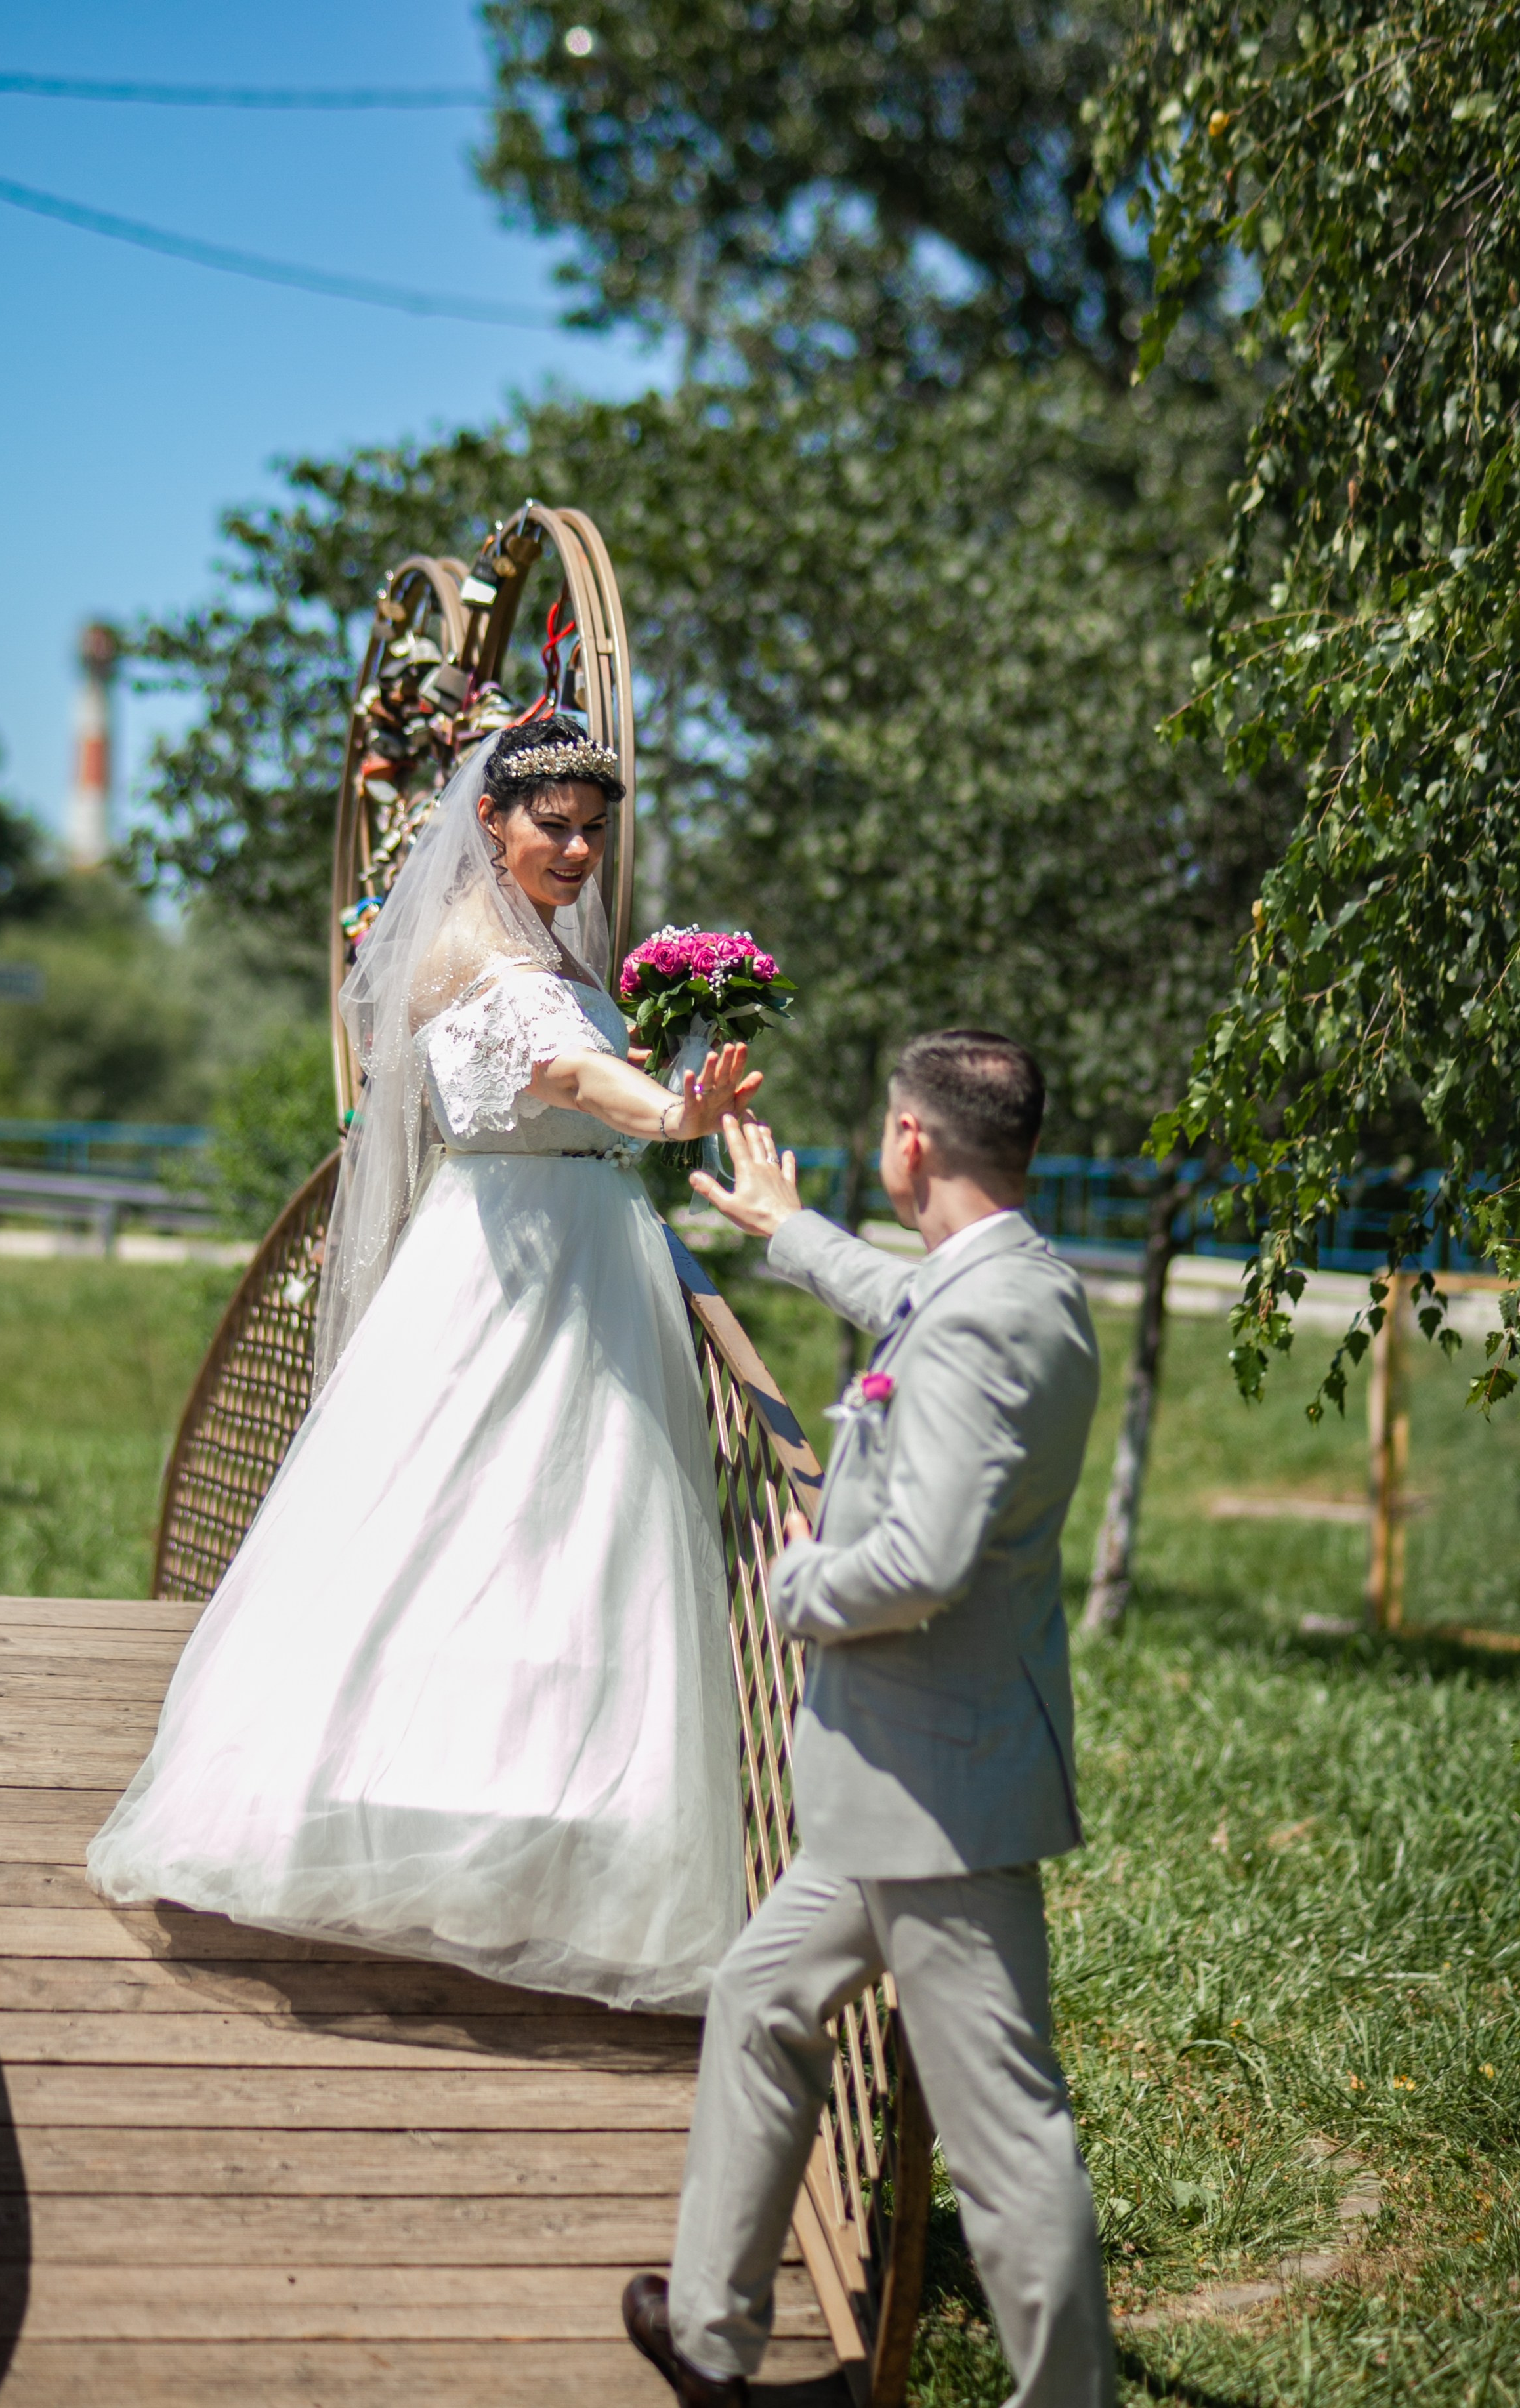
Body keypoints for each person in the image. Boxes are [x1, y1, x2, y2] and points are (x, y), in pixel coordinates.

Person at [87, 719, 751, 2013]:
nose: (577, 849)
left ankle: (533, 1833)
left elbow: (588, 1066)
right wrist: (675, 1112)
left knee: (572, 1544)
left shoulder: (553, 943)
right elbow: (566, 1073)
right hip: (509, 1265)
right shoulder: (470, 946)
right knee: (452, 1520)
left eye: (593, 829)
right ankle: (358, 1808)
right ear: (491, 821)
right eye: (553, 824)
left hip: (592, 1254)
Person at [623, 1029, 1115, 2406]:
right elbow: (905, 1304)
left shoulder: (984, 1317)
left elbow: (923, 1560)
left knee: (1008, 2138)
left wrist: (794, 1578)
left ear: (910, 1140)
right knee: (761, 1995)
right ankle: (713, 2337)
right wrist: (787, 1232)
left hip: (939, 1796)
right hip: (902, 1777)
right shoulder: (1016, 1281)